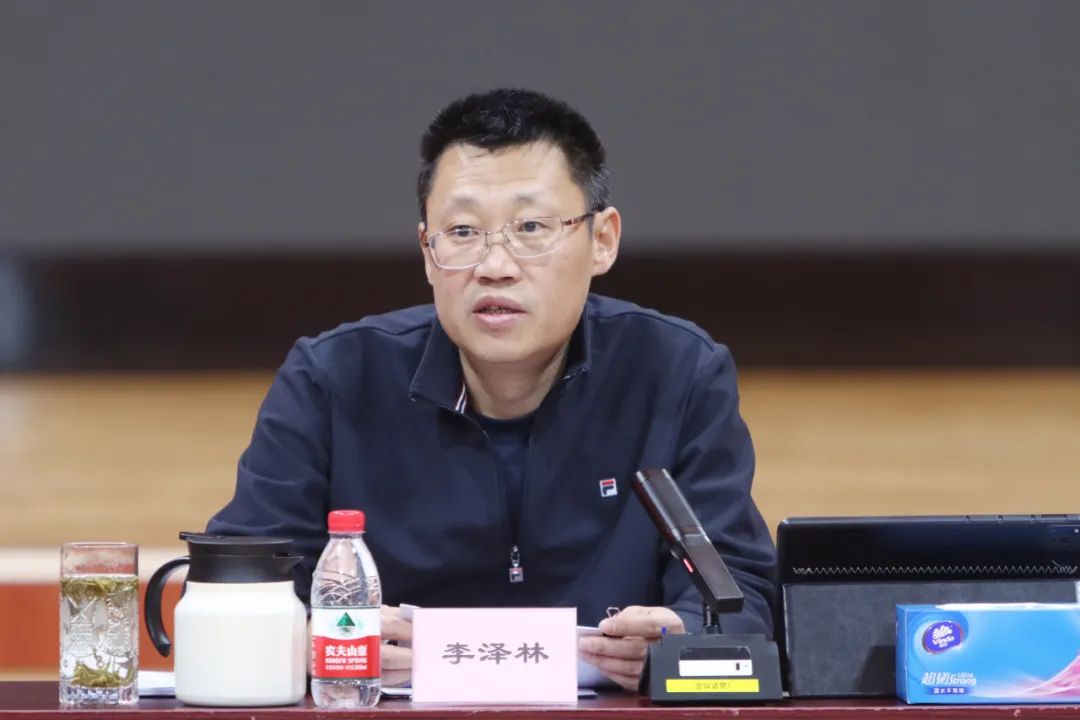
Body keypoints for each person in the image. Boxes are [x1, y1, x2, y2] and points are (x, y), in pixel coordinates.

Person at [207, 88, 776, 691]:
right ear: (427, 253)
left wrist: (681, 641)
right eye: (462, 231)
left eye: (530, 227)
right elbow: (239, 587)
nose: (495, 266)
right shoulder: (334, 378)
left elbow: (739, 592)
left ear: (602, 240)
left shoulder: (677, 372)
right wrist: (322, 638)